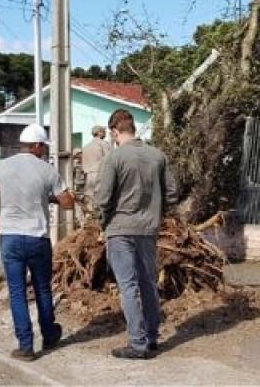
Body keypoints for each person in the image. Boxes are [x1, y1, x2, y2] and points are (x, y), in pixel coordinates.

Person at [0, 123, 75, 361]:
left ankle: (25, 346)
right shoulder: (48, 170)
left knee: (17, 293)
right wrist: (51, 197)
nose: (43, 150)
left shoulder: (0, 166)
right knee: (43, 288)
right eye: (43, 146)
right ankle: (49, 334)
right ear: (37, 146)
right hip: (37, 239)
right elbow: (68, 203)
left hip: (10, 238)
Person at [94, 109, 178, 359]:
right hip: (148, 229)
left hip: (120, 230)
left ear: (114, 132)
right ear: (133, 128)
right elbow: (172, 194)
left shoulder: (114, 158)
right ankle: (151, 338)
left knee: (128, 286)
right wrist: (156, 215)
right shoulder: (158, 156)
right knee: (148, 283)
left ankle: (137, 342)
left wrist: (103, 223)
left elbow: (103, 198)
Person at [82, 126, 111, 205]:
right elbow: (110, 160)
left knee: (89, 199)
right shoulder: (103, 144)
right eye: (104, 131)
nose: (105, 133)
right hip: (100, 174)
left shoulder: (86, 146)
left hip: (88, 176)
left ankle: (89, 216)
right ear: (99, 133)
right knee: (103, 201)